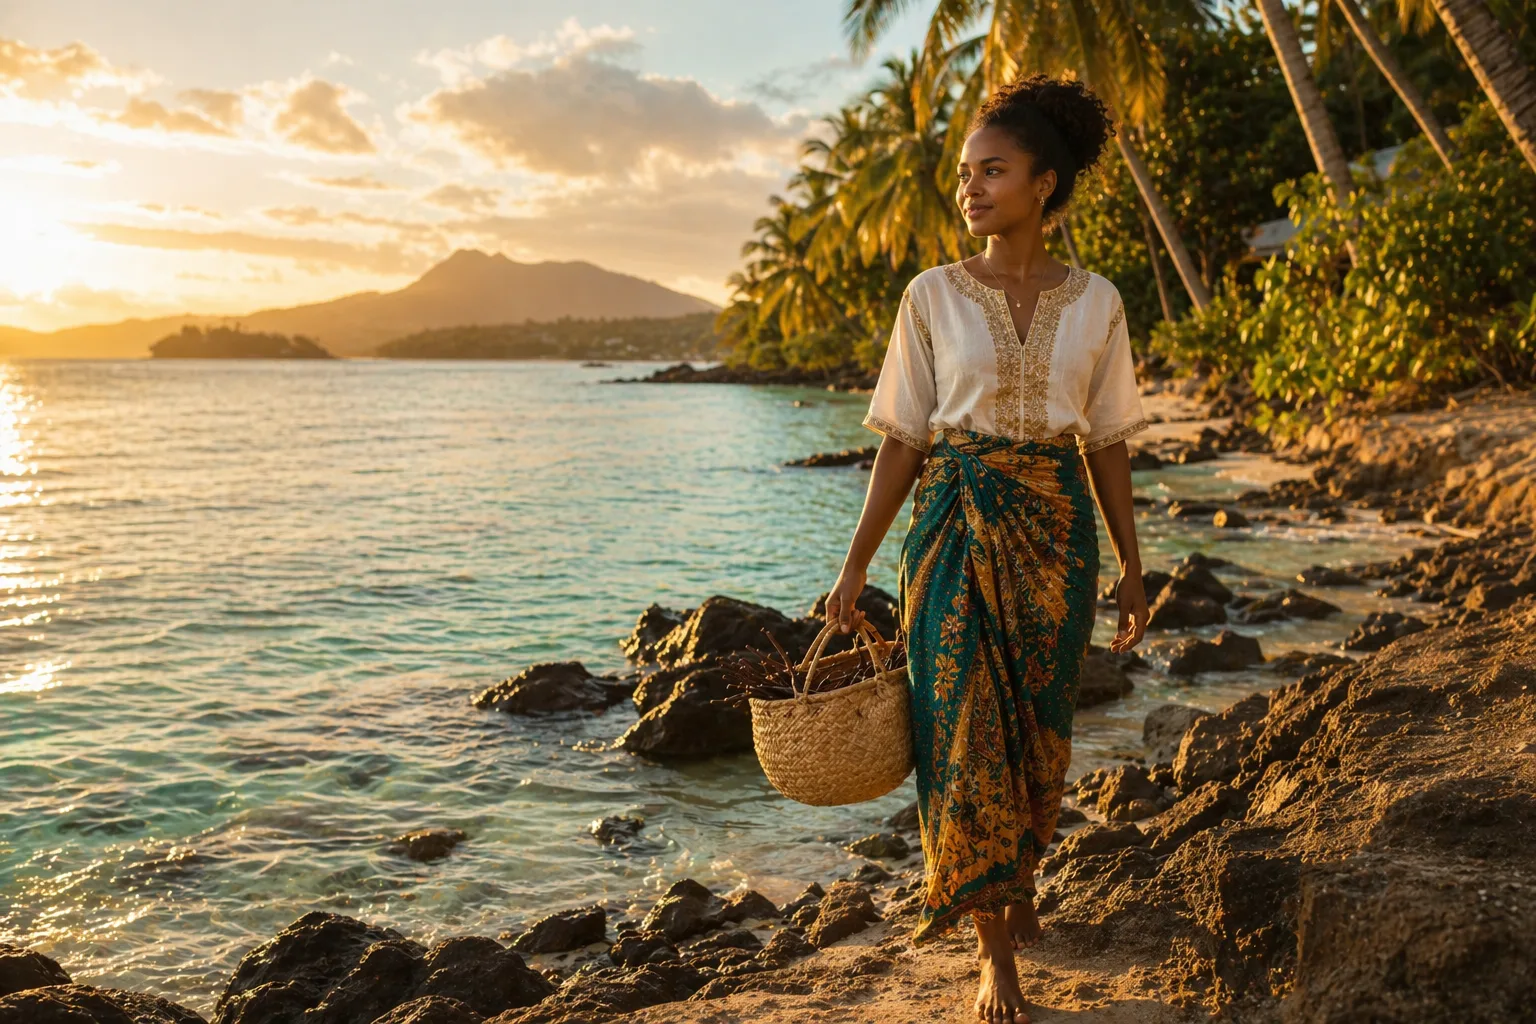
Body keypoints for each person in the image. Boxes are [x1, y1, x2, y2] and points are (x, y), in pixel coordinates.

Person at [822, 74, 1151, 1024]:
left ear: (1043, 184)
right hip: (952, 524)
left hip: (1056, 529)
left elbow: (1109, 443)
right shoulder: (930, 296)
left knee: (1037, 737)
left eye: (992, 170)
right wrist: (853, 565)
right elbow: (903, 438)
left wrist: (1132, 570)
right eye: (964, 173)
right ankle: (993, 956)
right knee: (959, 730)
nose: (969, 187)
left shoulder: (1097, 302)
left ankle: (1019, 875)